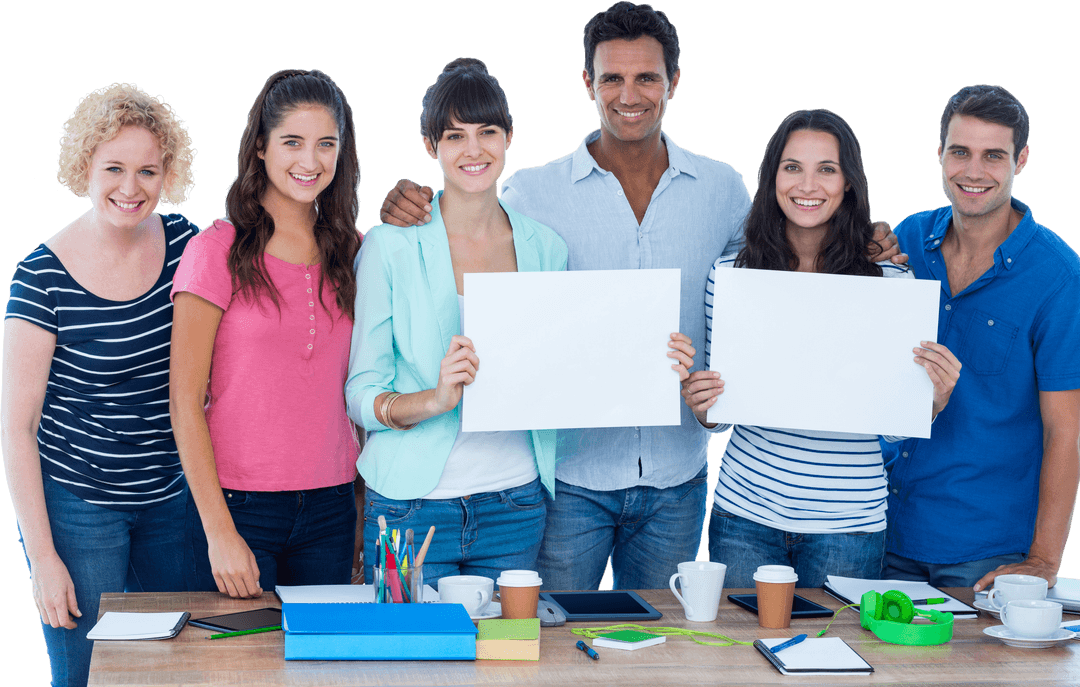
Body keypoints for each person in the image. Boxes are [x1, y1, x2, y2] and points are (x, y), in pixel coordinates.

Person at [378, 2, 902, 590]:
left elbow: (782, 262)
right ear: (588, 83)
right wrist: (412, 203)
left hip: (678, 478)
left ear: (673, 83)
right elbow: (468, 218)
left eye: (647, 77)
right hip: (572, 478)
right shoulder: (531, 193)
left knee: (668, 649)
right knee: (554, 644)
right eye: (612, 78)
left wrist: (870, 244)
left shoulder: (723, 191)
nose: (630, 94)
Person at [679, 110, 960, 588]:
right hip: (746, 513)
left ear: (848, 181)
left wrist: (931, 402)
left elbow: (892, 429)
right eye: (792, 167)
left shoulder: (889, 281)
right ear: (772, 179)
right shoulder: (730, 276)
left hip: (848, 525)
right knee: (740, 660)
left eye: (826, 169)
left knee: (835, 660)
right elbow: (720, 414)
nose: (808, 184)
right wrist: (702, 403)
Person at [1, 82, 197, 687]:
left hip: (170, 497)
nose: (131, 188)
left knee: (186, 667)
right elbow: (16, 425)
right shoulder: (42, 277)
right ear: (85, 165)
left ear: (169, 173)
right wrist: (42, 562)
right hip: (80, 507)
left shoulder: (187, 245)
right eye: (114, 168)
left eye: (148, 170)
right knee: (86, 675)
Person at [346, 58, 567, 587]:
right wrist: (435, 400)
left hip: (515, 506)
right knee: (408, 664)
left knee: (505, 664)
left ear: (509, 137)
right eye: (455, 135)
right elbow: (360, 393)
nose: (473, 150)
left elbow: (559, 368)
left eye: (487, 132)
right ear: (431, 146)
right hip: (408, 509)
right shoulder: (388, 247)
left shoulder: (548, 249)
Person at [170, 69, 361, 598]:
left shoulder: (355, 252)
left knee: (322, 678)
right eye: (292, 142)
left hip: (331, 506)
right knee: (233, 675)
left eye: (327, 144)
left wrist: (363, 508)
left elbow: (360, 388)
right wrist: (219, 533)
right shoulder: (217, 250)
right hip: (239, 507)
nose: (310, 160)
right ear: (260, 147)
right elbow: (184, 402)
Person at [882, 85, 1080, 591]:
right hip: (881, 534)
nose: (973, 172)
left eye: (994, 156)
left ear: (1022, 159)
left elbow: (1067, 430)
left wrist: (1043, 561)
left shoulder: (1057, 276)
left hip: (984, 558)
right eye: (960, 152)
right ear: (940, 155)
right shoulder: (908, 242)